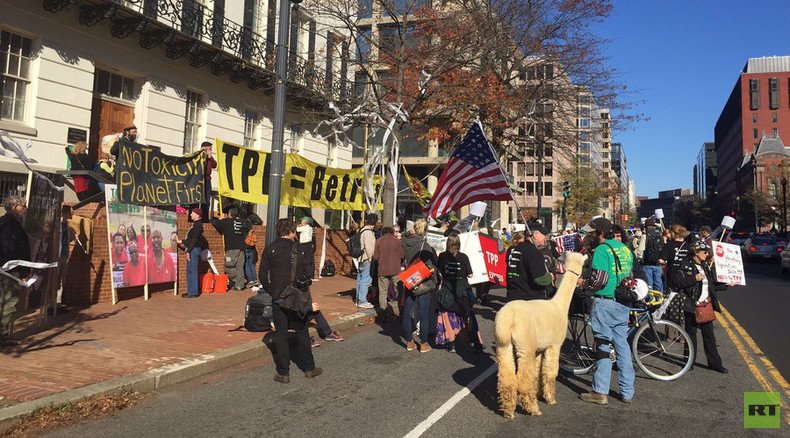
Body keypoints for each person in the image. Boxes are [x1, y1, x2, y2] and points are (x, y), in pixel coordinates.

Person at [578, 217, 635, 405]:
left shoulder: (602, 250)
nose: (589, 236)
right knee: (622, 345)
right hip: (622, 301)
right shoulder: (625, 248)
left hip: (605, 301)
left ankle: (600, 392)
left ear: (601, 233)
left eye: (592, 233)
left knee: (603, 345)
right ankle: (627, 391)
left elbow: (598, 280)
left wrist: (583, 283)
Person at [258, 218, 322, 384]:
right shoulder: (300, 249)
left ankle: (283, 372)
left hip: (278, 296)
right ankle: (309, 368)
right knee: (302, 332)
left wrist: (271, 290)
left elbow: (262, 274)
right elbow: (309, 273)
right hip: (297, 297)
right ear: (293, 232)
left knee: (281, 334)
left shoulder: (270, 248)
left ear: (279, 231)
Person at [669, 240, 731, 374]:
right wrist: (694, 279)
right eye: (704, 252)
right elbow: (677, 282)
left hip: (705, 305)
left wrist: (726, 284)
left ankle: (715, 363)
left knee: (709, 336)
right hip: (691, 305)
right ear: (696, 252)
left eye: (708, 252)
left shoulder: (705, 265)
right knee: (690, 335)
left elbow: (711, 285)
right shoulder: (684, 264)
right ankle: (689, 362)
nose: (707, 254)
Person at [436, 234, 483, 352]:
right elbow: (470, 274)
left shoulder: (442, 256)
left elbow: (440, 271)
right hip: (462, 291)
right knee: (469, 315)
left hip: (447, 290)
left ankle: (451, 344)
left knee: (447, 316)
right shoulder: (463, 257)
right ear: (459, 244)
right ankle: (477, 342)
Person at [401, 219, 438, 353]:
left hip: (410, 280)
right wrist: (435, 280)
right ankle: (423, 343)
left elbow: (402, 236)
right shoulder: (425, 245)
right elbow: (430, 265)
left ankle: (409, 342)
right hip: (422, 282)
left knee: (407, 311)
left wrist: (408, 232)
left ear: (415, 229)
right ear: (426, 230)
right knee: (423, 314)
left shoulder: (405, 242)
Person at [0, 195, 30, 346]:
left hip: (5, 269)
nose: (25, 208)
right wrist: (24, 272)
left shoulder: (3, 223)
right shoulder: (13, 227)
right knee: (8, 304)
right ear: (14, 207)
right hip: (10, 272)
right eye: (23, 205)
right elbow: (19, 250)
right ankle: (2, 336)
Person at [506, 223, 554, 300]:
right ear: (535, 234)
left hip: (512, 296)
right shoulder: (533, 251)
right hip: (529, 299)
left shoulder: (512, 249)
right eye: (544, 234)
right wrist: (549, 277)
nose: (546, 237)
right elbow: (540, 279)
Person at [212, 206, 248, 290]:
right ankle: (239, 285)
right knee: (239, 268)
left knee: (228, 267)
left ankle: (241, 281)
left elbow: (214, 223)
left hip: (232, 248)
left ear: (229, 214)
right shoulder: (241, 222)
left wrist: (220, 219)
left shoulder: (226, 221)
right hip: (241, 248)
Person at [372, 226, 404, 321]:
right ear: (391, 232)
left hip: (382, 269)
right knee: (398, 291)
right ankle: (397, 312)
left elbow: (376, 258)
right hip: (395, 269)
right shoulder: (397, 241)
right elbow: (402, 255)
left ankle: (383, 315)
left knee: (382, 292)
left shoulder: (379, 241)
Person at [178, 208, 208, 298]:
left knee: (192, 270)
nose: (190, 214)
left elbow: (194, 240)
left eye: (192, 213)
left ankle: (193, 292)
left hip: (194, 249)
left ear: (198, 215)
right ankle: (190, 291)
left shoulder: (198, 225)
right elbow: (191, 239)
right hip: (192, 249)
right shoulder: (196, 225)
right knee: (189, 270)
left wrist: (188, 251)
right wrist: (182, 241)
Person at [354, 213, 378, 309]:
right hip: (366, 258)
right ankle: (362, 300)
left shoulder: (361, 230)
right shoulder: (368, 232)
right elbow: (369, 248)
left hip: (360, 258)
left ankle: (358, 299)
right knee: (365, 279)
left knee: (360, 279)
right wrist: (371, 258)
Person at [639, 219, 664, 292]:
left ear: (646, 227)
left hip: (647, 263)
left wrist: (640, 259)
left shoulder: (645, 236)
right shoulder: (659, 235)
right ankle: (659, 299)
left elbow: (641, 250)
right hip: (658, 263)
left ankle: (650, 300)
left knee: (649, 283)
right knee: (658, 283)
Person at [57, 205, 75, 308]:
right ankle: (52, 304)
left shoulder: (67, 225)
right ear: (66, 212)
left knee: (61, 279)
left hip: (64, 255)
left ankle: (58, 304)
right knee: (55, 279)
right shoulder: (58, 224)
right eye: (72, 211)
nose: (73, 213)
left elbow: (66, 240)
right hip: (57, 255)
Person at [243, 210, 262, 288]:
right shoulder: (251, 227)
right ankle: (255, 279)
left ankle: (251, 280)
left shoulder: (244, 225)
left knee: (247, 264)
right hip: (252, 248)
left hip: (246, 247)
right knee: (252, 264)